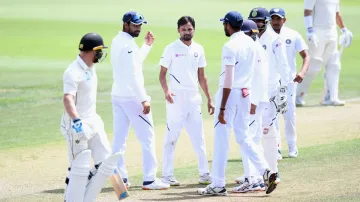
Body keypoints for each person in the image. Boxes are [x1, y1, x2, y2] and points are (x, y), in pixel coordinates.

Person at [197, 11, 278, 196]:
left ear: (227, 25)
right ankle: (266, 170)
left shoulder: (230, 45)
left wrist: (222, 107)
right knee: (243, 137)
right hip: (245, 94)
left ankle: (218, 183)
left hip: (231, 94)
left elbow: (228, 80)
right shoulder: (251, 43)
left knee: (221, 139)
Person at [110, 11, 170, 190]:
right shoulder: (128, 44)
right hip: (132, 98)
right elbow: (133, 75)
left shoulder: (118, 40)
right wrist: (143, 99)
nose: (139, 28)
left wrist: (146, 46)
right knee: (148, 138)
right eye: (136, 25)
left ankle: (121, 178)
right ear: (126, 24)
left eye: (140, 25)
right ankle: (150, 179)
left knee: (119, 140)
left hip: (118, 96)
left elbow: (134, 63)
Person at [60, 33, 121, 201]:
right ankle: (70, 198)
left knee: (105, 161)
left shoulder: (90, 67)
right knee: (79, 167)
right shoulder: (72, 72)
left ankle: (91, 194)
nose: (100, 55)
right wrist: (77, 121)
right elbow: (68, 98)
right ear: (90, 51)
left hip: (93, 121)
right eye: (98, 51)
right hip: (76, 124)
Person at [159, 16, 214, 186]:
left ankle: (204, 174)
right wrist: (166, 91)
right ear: (178, 30)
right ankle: (167, 175)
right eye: (183, 29)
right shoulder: (171, 48)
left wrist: (209, 99)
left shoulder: (199, 49)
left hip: (193, 98)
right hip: (176, 99)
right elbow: (162, 75)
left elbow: (202, 77)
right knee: (171, 137)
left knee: (199, 138)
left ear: (194, 30)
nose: (186, 32)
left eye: (189, 29)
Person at [246, 7, 290, 184]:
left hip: (270, 92)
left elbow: (284, 66)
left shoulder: (274, 40)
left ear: (266, 22)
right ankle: (255, 172)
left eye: (259, 21)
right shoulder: (249, 40)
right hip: (254, 92)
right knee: (252, 133)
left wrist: (284, 90)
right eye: (253, 21)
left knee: (267, 131)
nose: (256, 24)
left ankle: (273, 171)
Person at [233, 19, 270, 193]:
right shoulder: (257, 48)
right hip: (258, 99)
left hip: (254, 101)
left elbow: (261, 78)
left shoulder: (253, 50)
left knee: (245, 140)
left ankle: (252, 180)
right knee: (253, 140)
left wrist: (253, 102)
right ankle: (258, 179)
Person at [270, 7, 310, 158]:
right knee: (272, 115)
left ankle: (292, 146)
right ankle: (276, 148)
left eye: (278, 18)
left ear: (284, 20)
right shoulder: (265, 36)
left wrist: (302, 73)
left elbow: (306, 56)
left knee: (289, 115)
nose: (275, 22)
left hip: (289, 82)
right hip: (271, 82)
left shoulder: (293, 35)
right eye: (273, 18)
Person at [296, 0, 353, 106]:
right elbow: (307, 12)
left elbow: (336, 13)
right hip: (318, 31)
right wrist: (309, 30)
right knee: (313, 65)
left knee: (334, 65)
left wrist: (344, 29)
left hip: (332, 32)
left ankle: (331, 97)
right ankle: (297, 95)